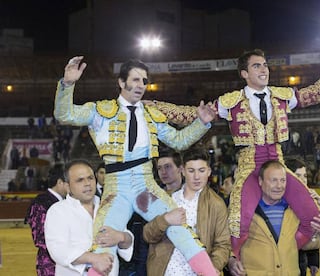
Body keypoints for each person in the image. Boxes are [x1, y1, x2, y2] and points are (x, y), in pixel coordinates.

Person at [153, 39, 320, 257]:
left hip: (278, 165)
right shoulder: (231, 101)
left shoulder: (282, 96)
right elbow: (192, 114)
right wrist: (155, 107)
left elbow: (317, 93)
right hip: (249, 168)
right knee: (238, 224)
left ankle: (280, 254)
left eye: (265, 65)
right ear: (244, 73)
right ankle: (236, 264)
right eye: (257, 65)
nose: (263, 69)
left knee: (313, 217)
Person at [53, 57, 218, 276]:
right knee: (103, 244)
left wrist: (202, 123)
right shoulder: (101, 111)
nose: (141, 85)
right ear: (122, 82)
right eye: (136, 79)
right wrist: (67, 84)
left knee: (181, 230)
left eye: (145, 80)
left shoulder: (151, 114)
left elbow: (179, 141)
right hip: (116, 191)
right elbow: (64, 115)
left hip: (145, 189)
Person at [228, 160, 320, 275]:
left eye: (283, 180)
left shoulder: (296, 211)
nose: (279, 186)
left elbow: (308, 243)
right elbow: (226, 242)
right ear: (260, 181)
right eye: (273, 180)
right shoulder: (243, 211)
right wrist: (231, 260)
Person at [143, 147, 231, 275]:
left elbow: (223, 245)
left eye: (201, 170)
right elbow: (148, 235)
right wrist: (165, 220)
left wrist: (212, 267)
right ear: (183, 171)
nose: (196, 177)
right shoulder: (167, 199)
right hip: (164, 271)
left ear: (209, 171)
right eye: (191, 171)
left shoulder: (216, 204)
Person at [44, 159, 134, 276]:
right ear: (67, 186)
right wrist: (94, 258)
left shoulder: (108, 208)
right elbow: (58, 250)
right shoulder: (58, 211)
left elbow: (127, 242)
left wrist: (122, 237)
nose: (87, 183)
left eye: (90, 178)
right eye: (80, 180)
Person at [119, 149, 184, 276]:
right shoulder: (151, 198)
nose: (163, 172)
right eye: (160, 168)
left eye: (168, 167)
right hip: (158, 263)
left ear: (180, 169)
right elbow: (144, 241)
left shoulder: (192, 196)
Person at [25, 164, 68, 276]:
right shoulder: (41, 203)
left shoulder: (67, 201)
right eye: (68, 182)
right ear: (60, 183)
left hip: (68, 261)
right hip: (50, 263)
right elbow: (39, 237)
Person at [285, 157, 320, 276]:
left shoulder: (309, 199)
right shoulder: (275, 198)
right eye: (298, 175)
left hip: (300, 259)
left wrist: (318, 207)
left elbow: (313, 232)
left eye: (304, 176)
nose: (303, 180)